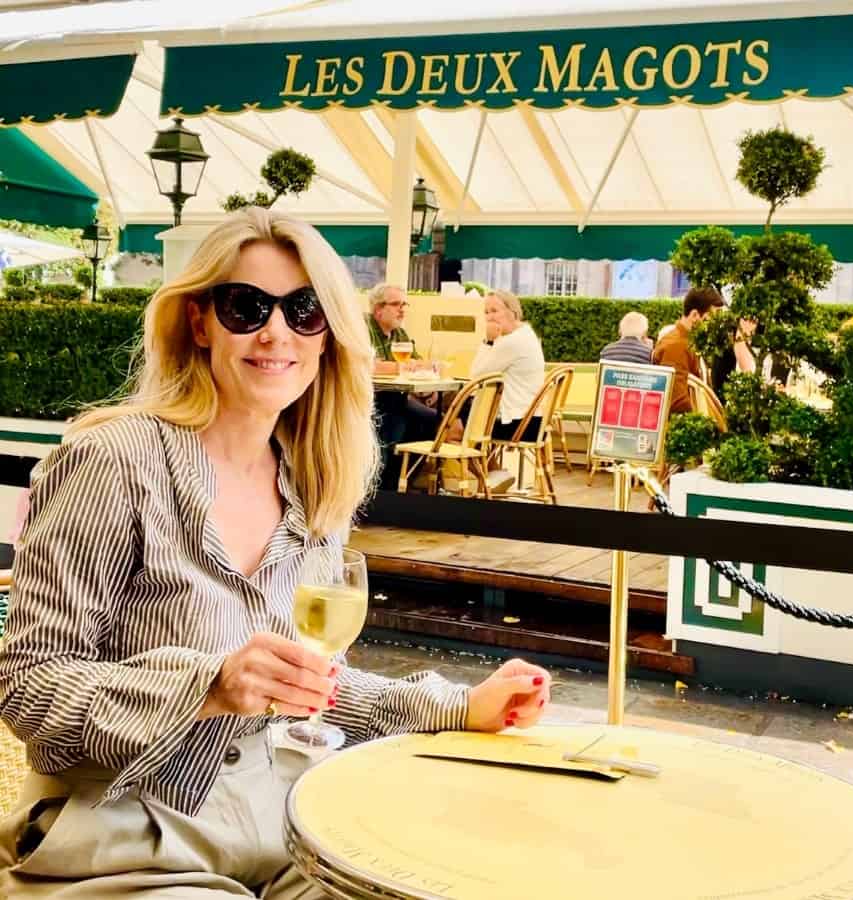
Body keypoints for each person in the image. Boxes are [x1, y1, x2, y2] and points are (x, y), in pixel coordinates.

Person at [0, 208, 552, 898]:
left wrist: (458, 707)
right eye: (246, 306)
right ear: (200, 322)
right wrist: (207, 686)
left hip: (284, 824)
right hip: (125, 834)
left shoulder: (314, 482)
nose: (275, 332)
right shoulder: (115, 460)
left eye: (304, 310)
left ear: (328, 336)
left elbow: (313, 686)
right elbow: (30, 688)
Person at [366, 283, 437, 483]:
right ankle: (385, 484)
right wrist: (402, 367)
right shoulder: (363, 328)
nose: (402, 310)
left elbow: (419, 364)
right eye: (396, 304)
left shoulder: (400, 333)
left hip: (396, 397)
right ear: (378, 309)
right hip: (368, 400)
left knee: (432, 420)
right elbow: (366, 365)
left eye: (404, 304)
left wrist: (426, 388)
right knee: (395, 423)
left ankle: (403, 480)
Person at [469, 290, 545, 441]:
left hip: (517, 424)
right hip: (533, 420)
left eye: (495, 311)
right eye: (486, 312)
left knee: (450, 424)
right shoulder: (526, 333)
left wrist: (488, 341)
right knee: (458, 413)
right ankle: (482, 459)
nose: (490, 317)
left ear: (513, 313)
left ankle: (474, 457)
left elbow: (476, 376)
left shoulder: (512, 342)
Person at [652, 286, 724, 414]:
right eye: (712, 319)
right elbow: (677, 402)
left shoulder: (687, 341)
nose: (716, 325)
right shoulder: (676, 346)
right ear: (695, 315)